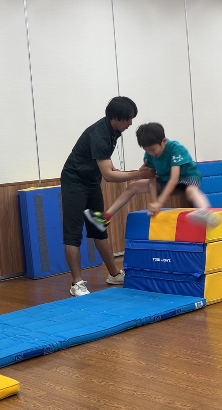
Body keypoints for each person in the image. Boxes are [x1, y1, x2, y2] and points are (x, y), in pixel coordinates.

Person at [61, 97, 155, 297]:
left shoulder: (114, 132)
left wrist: (134, 173)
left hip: (91, 183)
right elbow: (109, 176)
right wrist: (138, 174)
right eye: (128, 119)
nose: (131, 123)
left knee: (99, 228)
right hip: (74, 183)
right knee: (73, 234)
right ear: (116, 117)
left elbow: (108, 166)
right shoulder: (100, 135)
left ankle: (114, 274)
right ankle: (76, 283)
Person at [84, 122, 221, 233]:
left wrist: (160, 202)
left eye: (153, 150)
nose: (151, 153)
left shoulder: (176, 148)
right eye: (147, 150)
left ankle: (204, 211)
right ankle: (106, 217)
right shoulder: (149, 155)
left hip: (186, 178)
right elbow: (152, 178)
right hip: (165, 180)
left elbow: (174, 178)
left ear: (163, 141)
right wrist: (154, 203)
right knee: (133, 186)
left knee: (191, 190)